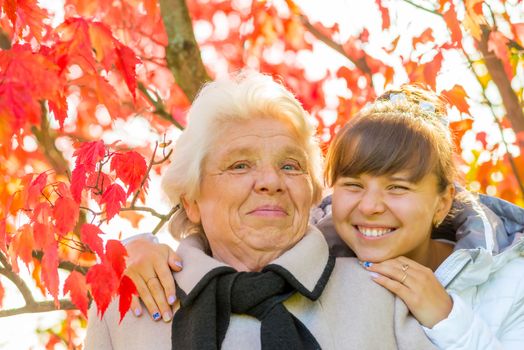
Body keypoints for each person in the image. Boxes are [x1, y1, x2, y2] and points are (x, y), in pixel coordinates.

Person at [124, 84, 524, 349]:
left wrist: (448, 317)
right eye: (352, 185)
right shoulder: (321, 240)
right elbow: (236, 224)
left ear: (442, 202)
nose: (370, 206)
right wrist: (136, 247)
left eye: (398, 188)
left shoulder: (510, 281)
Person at [84, 71, 435, 350]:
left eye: (291, 166)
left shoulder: (383, 294)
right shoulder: (127, 308)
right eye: (239, 165)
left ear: (312, 193)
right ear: (191, 201)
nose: (271, 181)